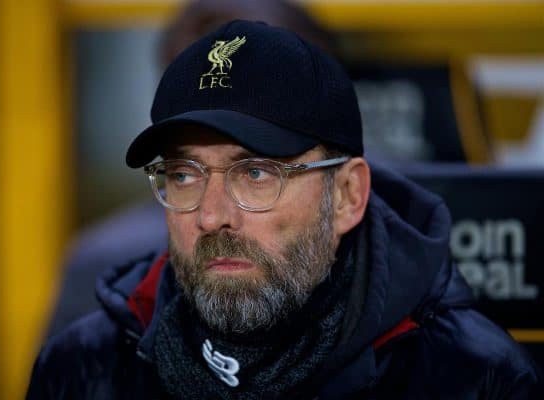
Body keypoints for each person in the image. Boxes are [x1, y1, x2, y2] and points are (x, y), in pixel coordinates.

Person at [27, 20, 541, 399]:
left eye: (256, 173)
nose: (211, 217)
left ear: (346, 196)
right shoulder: (86, 367)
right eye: (184, 175)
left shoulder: (470, 377)